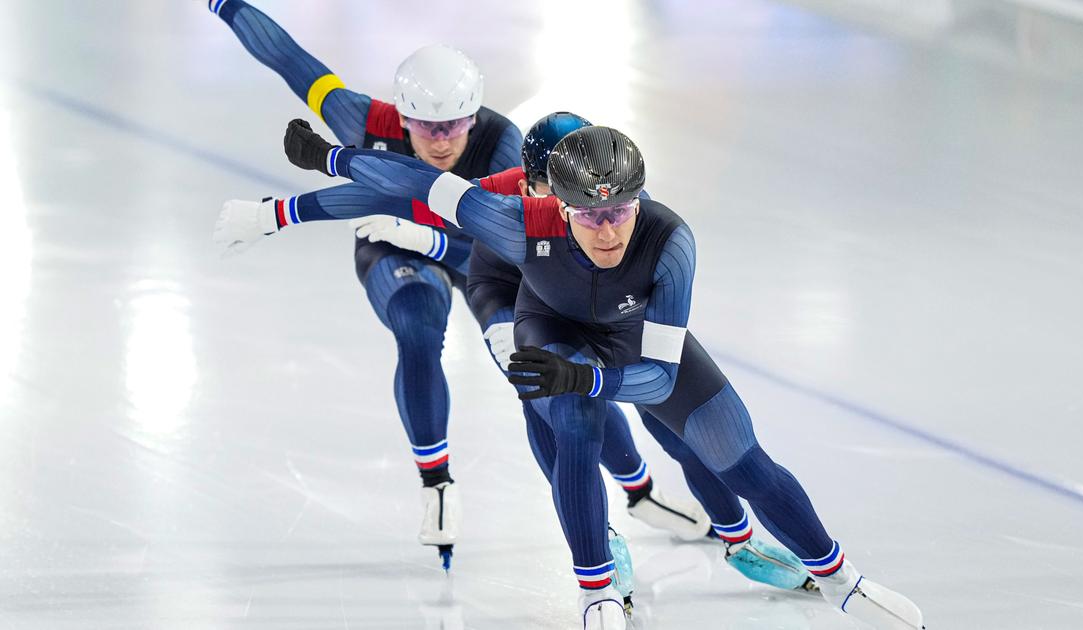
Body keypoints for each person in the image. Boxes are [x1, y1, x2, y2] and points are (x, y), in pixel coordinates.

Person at [214, 121, 927, 629]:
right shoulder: (516, 222)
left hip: (627, 345)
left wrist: (586, 379)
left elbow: (655, 374)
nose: (609, 228)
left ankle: (837, 578)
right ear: (554, 201)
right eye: (590, 214)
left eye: (620, 210)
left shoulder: (671, 243)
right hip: (545, 325)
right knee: (573, 428)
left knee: (732, 448)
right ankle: (595, 593)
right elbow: (415, 182)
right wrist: (329, 162)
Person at [201, 0, 723, 573]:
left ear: (475, 116)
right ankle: (437, 483)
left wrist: (290, 212)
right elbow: (288, 58)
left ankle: (637, 489)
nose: (444, 139)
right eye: (428, 126)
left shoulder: (506, 148)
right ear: (401, 117)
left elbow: (507, 250)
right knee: (418, 328)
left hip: (485, 264)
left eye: (455, 123)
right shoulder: (360, 119)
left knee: (552, 382)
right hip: (394, 243)